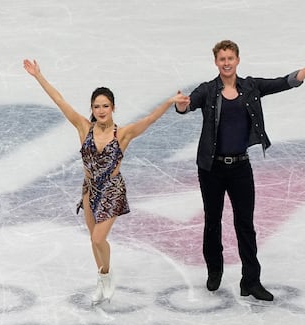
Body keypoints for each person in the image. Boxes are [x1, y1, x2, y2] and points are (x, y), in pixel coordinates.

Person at [175, 40, 305, 302]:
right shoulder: (208, 90)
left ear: (237, 60)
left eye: (230, 58)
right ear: (216, 62)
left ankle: (251, 280)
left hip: (240, 167)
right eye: (222, 59)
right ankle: (214, 270)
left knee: (245, 224)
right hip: (211, 169)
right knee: (212, 221)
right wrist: (181, 104)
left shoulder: (250, 87)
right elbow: (186, 106)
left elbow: (284, 82)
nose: (226, 63)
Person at [23, 59, 190, 305]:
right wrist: (38, 75)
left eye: (105, 106)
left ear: (113, 108)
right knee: (93, 239)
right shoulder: (84, 128)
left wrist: (168, 102)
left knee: (98, 239)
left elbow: (149, 120)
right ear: (92, 108)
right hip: (89, 190)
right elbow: (60, 100)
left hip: (112, 190)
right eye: (97, 106)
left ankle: (107, 275)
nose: (101, 110)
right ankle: (101, 279)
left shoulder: (122, 134)